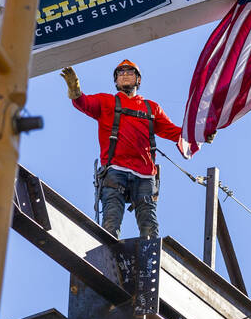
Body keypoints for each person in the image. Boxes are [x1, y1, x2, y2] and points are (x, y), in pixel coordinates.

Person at [60, 59, 185, 239]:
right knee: (111, 220)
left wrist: (201, 133)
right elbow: (83, 103)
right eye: (121, 73)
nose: (125, 75)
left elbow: (174, 132)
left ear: (138, 80)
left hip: (144, 174)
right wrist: (75, 89)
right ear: (116, 81)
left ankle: (149, 259)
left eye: (129, 72)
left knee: (148, 222)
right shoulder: (106, 101)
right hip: (115, 171)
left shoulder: (151, 108)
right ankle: (108, 258)